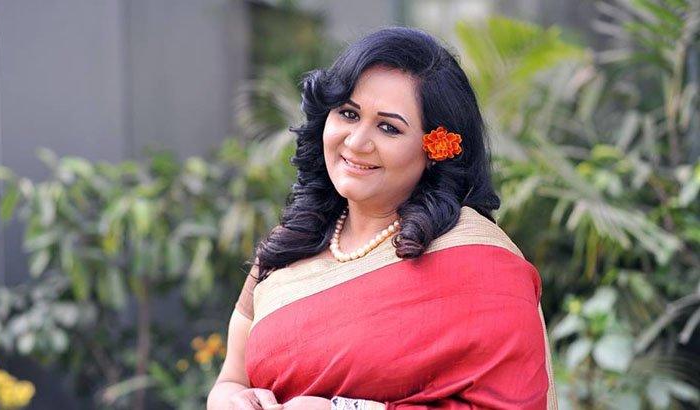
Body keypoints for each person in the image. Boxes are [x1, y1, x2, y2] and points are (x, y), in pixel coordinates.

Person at [207, 27, 558, 410]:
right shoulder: (289, 243)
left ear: (436, 149)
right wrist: (234, 401)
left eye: (389, 127)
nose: (356, 142)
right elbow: (231, 379)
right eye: (348, 114)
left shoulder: (478, 263)